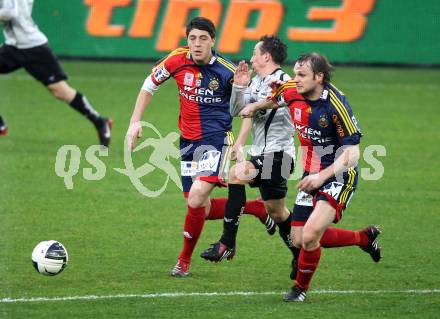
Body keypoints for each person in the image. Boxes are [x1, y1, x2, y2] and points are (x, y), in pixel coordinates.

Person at [126, 17, 275, 277]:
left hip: (217, 141)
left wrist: (240, 97)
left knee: (196, 198)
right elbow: (149, 85)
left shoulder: (229, 71)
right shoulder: (176, 59)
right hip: (188, 142)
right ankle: (256, 208)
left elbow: (245, 111)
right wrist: (134, 122)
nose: (197, 44)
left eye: (203, 39)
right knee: (200, 208)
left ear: (213, 41)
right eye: (192, 38)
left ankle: (183, 261)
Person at [240, 52, 382, 302]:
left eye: (301, 74)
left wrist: (321, 177)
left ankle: (299, 289)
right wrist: (254, 106)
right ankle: (363, 237)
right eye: (295, 73)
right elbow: (276, 99)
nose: (295, 79)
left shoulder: (335, 105)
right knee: (298, 239)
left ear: (319, 77)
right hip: (311, 173)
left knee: (310, 235)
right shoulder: (293, 89)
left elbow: (353, 152)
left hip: (338, 174)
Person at [200, 36, 299, 268]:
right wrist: (239, 86)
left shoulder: (285, 81)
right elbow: (238, 111)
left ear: (266, 56)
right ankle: (300, 255)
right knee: (277, 213)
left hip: (281, 156)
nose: (251, 58)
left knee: (236, 173)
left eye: (255, 53)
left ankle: (227, 244)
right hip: (263, 155)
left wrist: (255, 105)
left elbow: (276, 101)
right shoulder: (255, 82)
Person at [0, 0, 112, 146]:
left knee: (60, 91)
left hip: (33, 47)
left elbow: (10, 12)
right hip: (13, 46)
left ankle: (100, 122)